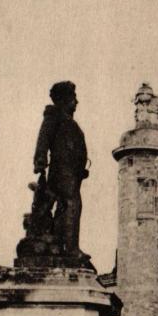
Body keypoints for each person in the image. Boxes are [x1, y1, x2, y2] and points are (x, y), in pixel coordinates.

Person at [33, 81, 90, 262]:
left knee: (64, 208)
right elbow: (43, 139)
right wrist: (40, 162)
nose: (77, 102)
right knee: (73, 203)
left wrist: (81, 169)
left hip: (72, 174)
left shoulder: (69, 122)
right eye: (73, 98)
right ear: (64, 99)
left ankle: (60, 243)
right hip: (61, 172)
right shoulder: (54, 117)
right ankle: (72, 248)